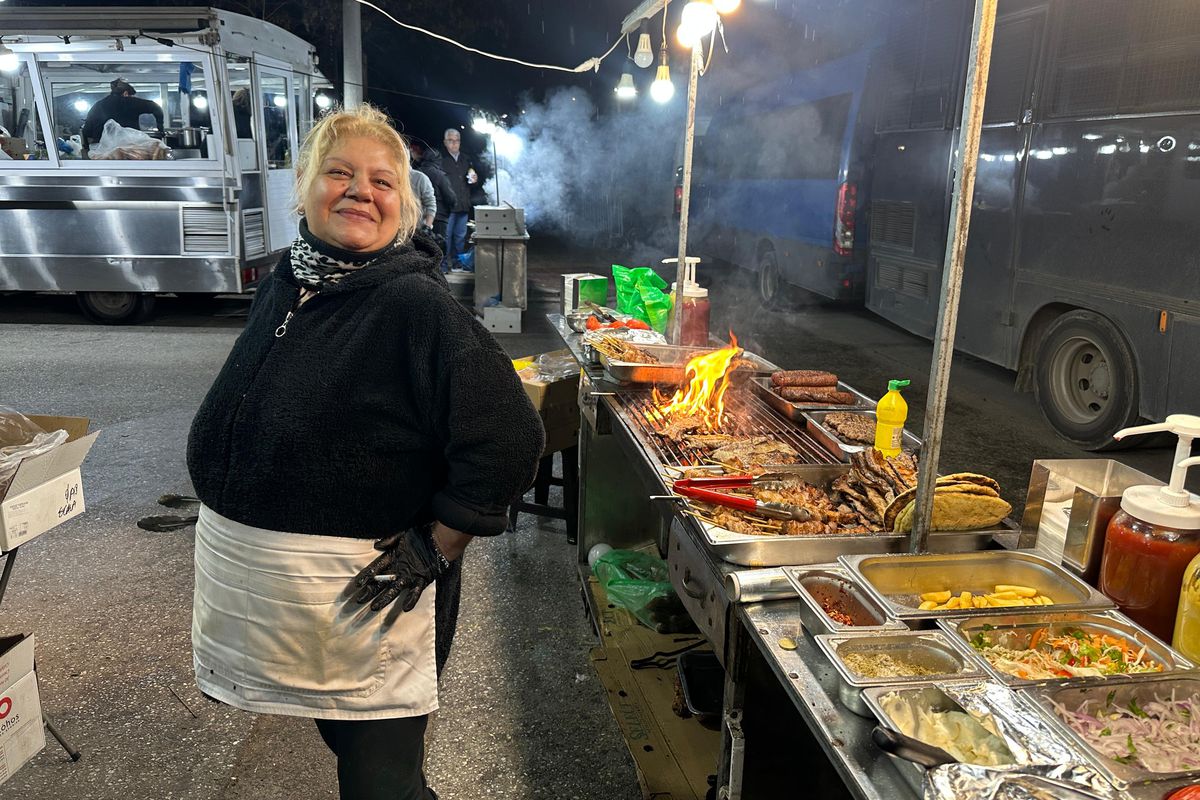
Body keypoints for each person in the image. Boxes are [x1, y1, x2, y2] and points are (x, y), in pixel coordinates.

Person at [186, 103, 544, 800]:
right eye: (340, 172)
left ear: (404, 207)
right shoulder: (293, 282)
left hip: (374, 592)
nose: (360, 191)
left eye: (383, 182)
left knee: (380, 780)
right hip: (294, 599)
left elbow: (508, 437)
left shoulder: (416, 306)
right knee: (346, 737)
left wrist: (438, 545)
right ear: (304, 189)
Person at [439, 127, 488, 273]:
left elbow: (473, 181)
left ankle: (457, 263)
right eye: (450, 141)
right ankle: (443, 264)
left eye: (457, 141)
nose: (454, 144)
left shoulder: (466, 159)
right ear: (445, 142)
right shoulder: (442, 160)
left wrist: (475, 180)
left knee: (460, 237)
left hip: (463, 205)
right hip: (448, 207)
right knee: (446, 237)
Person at [81, 78, 164, 154]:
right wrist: (160, 128)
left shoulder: (98, 105)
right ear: (125, 93)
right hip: (129, 151)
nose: (132, 98)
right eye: (131, 96)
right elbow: (155, 107)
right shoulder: (129, 102)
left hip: (103, 153)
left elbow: (87, 131)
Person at [410, 141, 458, 249]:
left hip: (420, 219)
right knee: (439, 248)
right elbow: (450, 197)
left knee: (422, 250)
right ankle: (443, 266)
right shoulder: (440, 175)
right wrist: (451, 207)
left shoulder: (416, 174)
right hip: (439, 218)